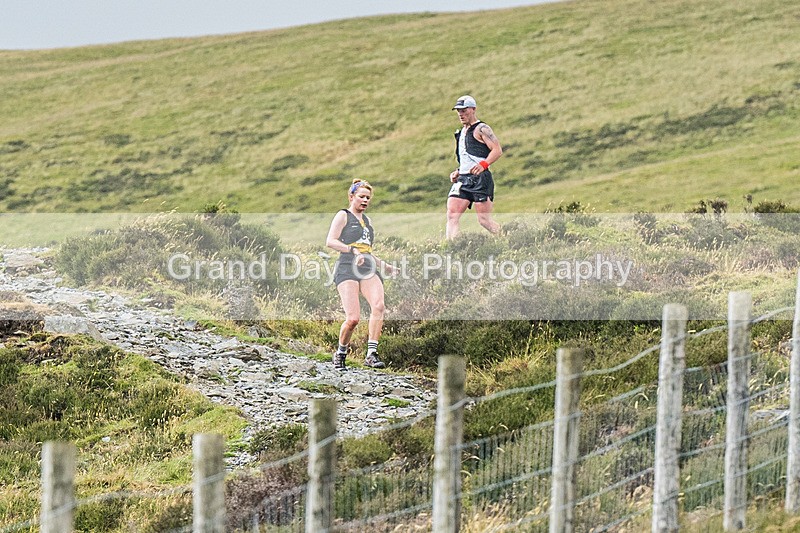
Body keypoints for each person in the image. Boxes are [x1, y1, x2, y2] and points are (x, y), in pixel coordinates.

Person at [326, 179, 395, 370]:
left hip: (367, 267)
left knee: (379, 305)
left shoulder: (368, 221)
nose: (365, 201)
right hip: (347, 267)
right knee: (353, 319)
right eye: (361, 197)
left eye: (368, 198)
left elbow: (367, 250)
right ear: (351, 197)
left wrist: (385, 265)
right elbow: (330, 241)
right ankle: (340, 352)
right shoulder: (343, 215)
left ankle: (371, 354)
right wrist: (352, 251)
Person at [446, 95, 503, 239]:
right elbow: (467, 157)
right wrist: (459, 171)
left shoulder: (482, 129)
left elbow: (497, 150)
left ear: (473, 109)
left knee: (484, 221)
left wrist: (484, 165)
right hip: (463, 179)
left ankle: (508, 239)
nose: (461, 114)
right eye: (458, 111)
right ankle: (451, 248)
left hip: (480, 179)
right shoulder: (460, 132)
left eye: (464, 110)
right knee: (452, 215)